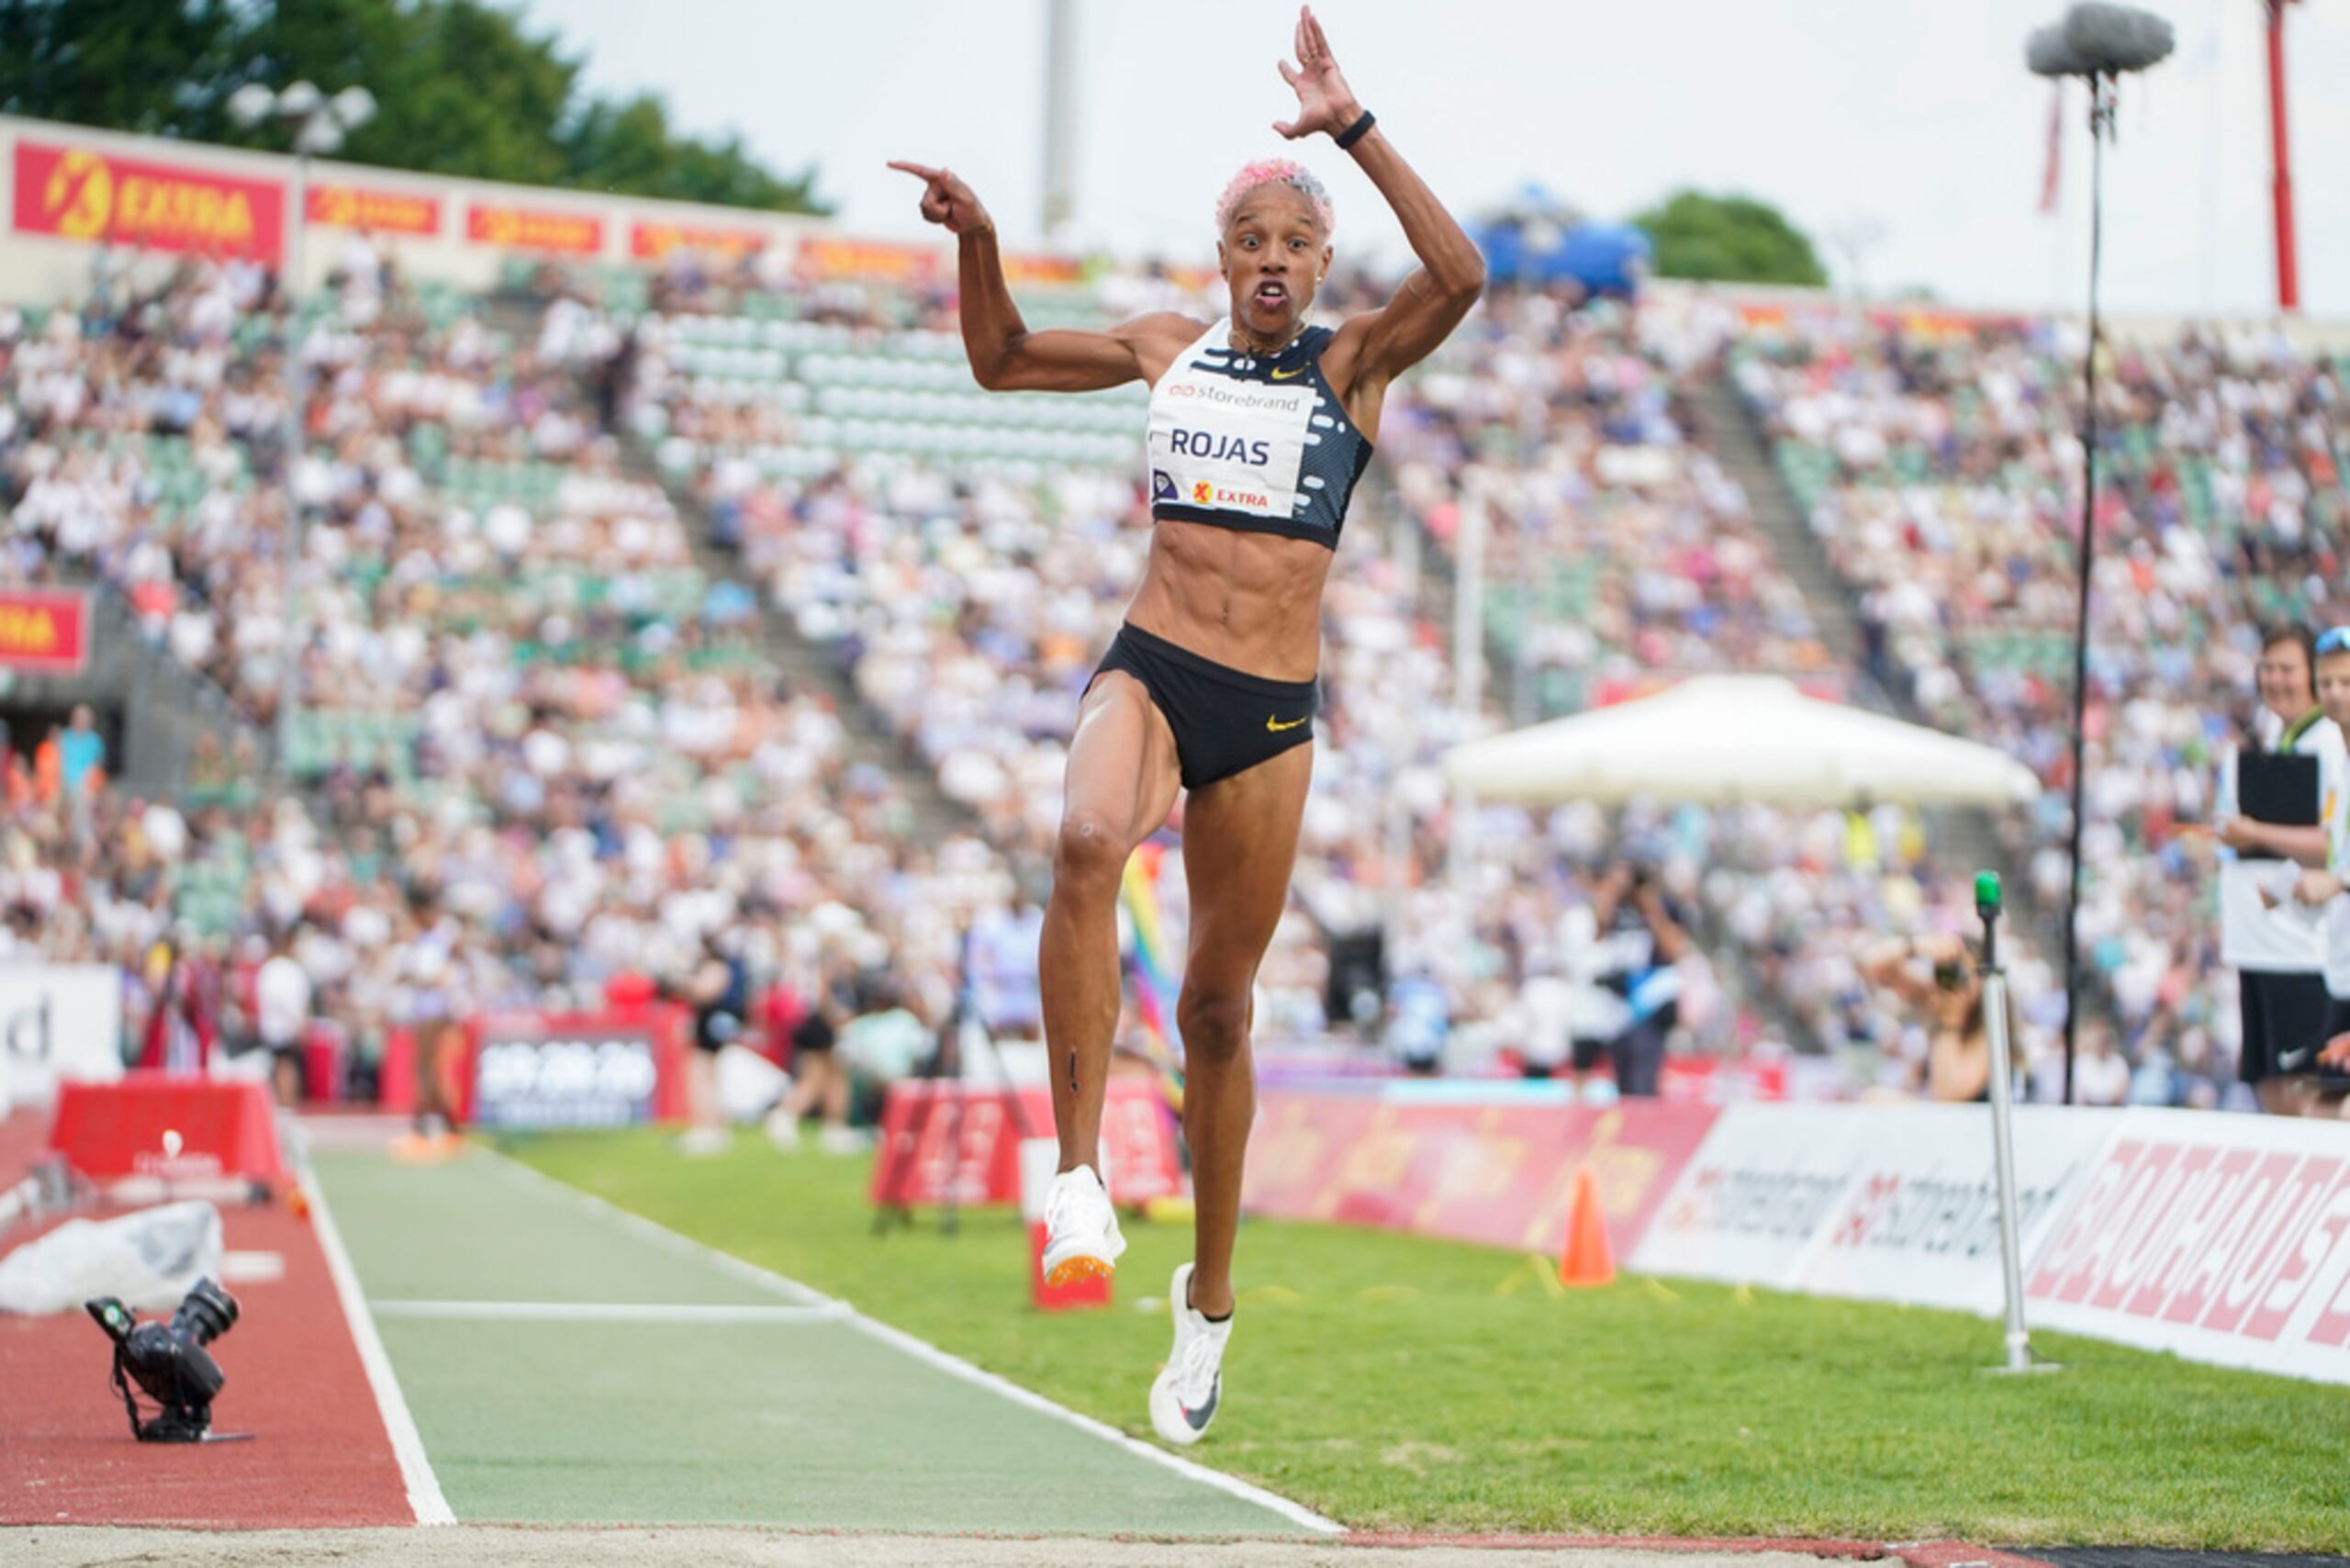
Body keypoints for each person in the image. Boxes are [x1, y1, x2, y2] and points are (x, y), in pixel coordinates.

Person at [892, 5, 1483, 1446]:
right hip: (1153, 664)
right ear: (1221, 263)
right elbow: (1004, 361)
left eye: (1295, 243)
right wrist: (977, 243)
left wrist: (1350, 125)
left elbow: (1461, 273)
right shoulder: (1169, 350)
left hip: (1271, 714)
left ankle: (1207, 1308)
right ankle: (1079, 1177)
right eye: (1250, 243)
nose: (1272, 261)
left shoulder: (1357, 370)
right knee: (1086, 835)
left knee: (1219, 1009)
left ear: (1319, 264)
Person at [2215, 624, 2344, 1114]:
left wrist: (2258, 834)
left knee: (2308, 1092)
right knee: (2269, 1085)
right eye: (2267, 668)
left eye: (2286, 668)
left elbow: (2335, 845)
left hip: (2301, 951)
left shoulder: (2330, 743)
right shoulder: (2268, 735)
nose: (2276, 680)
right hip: (2255, 944)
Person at [1586, 863, 1690, 1097]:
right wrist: (1610, 897)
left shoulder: (1660, 908)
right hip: (1617, 1006)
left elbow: (1673, 949)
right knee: (1622, 1079)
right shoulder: (1616, 911)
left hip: (1649, 1004)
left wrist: (1651, 909)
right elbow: (1596, 936)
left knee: (1643, 1078)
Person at [1859, 931, 1997, 1103]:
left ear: (1982, 978)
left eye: (1961, 973)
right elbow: (1868, 965)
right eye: (1945, 972)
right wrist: (1916, 946)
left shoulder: (1993, 1025)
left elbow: (1949, 1096)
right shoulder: (1933, 996)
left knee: (1879, 1099)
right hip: (1935, 1116)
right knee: (1874, 1098)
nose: (1952, 983)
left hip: (1970, 1122)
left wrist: (1951, 1021)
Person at [679, 931, 750, 1156]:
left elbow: (706, 992)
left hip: (709, 1024)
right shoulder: (723, 966)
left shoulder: (715, 967)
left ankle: (708, 1127)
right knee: (708, 1077)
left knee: (702, 1076)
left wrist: (687, 985)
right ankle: (713, 1126)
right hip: (711, 1023)